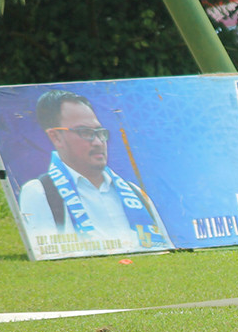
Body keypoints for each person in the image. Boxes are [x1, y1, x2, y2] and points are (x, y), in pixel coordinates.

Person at [18, 90, 170, 255]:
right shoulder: (41, 192)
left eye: (99, 133)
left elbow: (165, 252)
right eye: (85, 133)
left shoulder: (134, 193)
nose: (98, 142)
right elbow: (46, 259)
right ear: (56, 138)